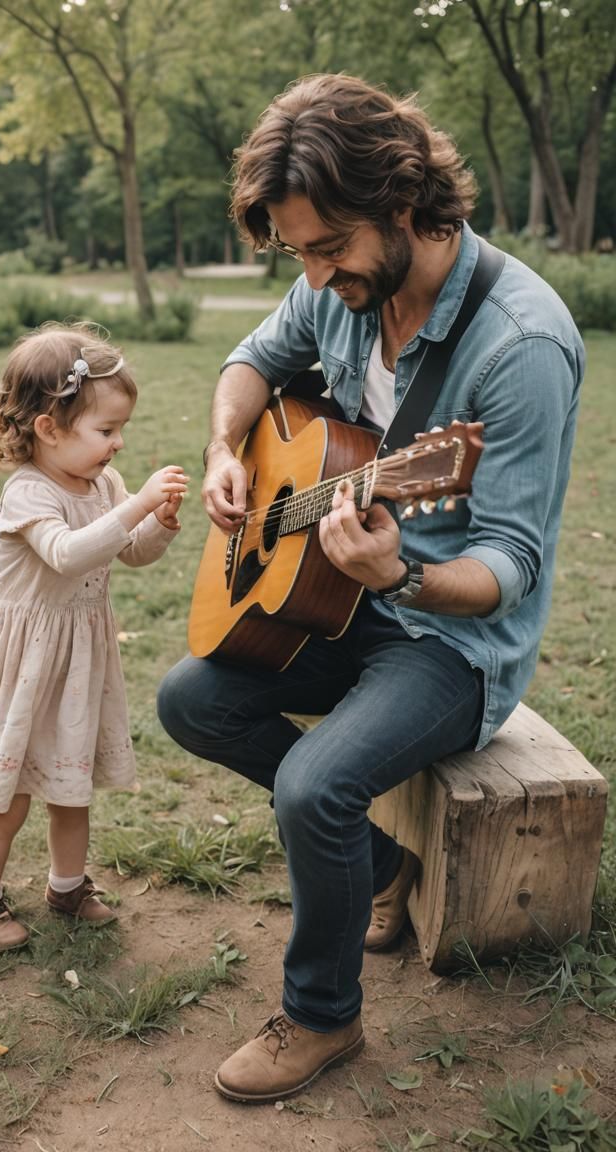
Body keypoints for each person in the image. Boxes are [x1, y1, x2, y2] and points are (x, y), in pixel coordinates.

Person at [157, 74, 583, 1103]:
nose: (310, 273)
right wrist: (226, 449)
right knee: (191, 699)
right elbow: (250, 361)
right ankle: (380, 869)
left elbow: (506, 568)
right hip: (336, 597)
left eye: (325, 247)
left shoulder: (518, 346)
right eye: (297, 251)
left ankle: (321, 1017)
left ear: (401, 206)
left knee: (315, 786)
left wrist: (401, 572)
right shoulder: (333, 288)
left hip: (450, 641)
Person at [0, 323, 188, 949]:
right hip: (20, 662)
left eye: (121, 430)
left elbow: (131, 553)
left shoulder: (104, 486)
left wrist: (159, 523)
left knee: (71, 785)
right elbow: (67, 554)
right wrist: (137, 504)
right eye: (106, 430)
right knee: (7, 801)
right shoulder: (28, 493)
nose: (118, 444)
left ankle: (67, 886)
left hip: (76, 660)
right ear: (49, 428)